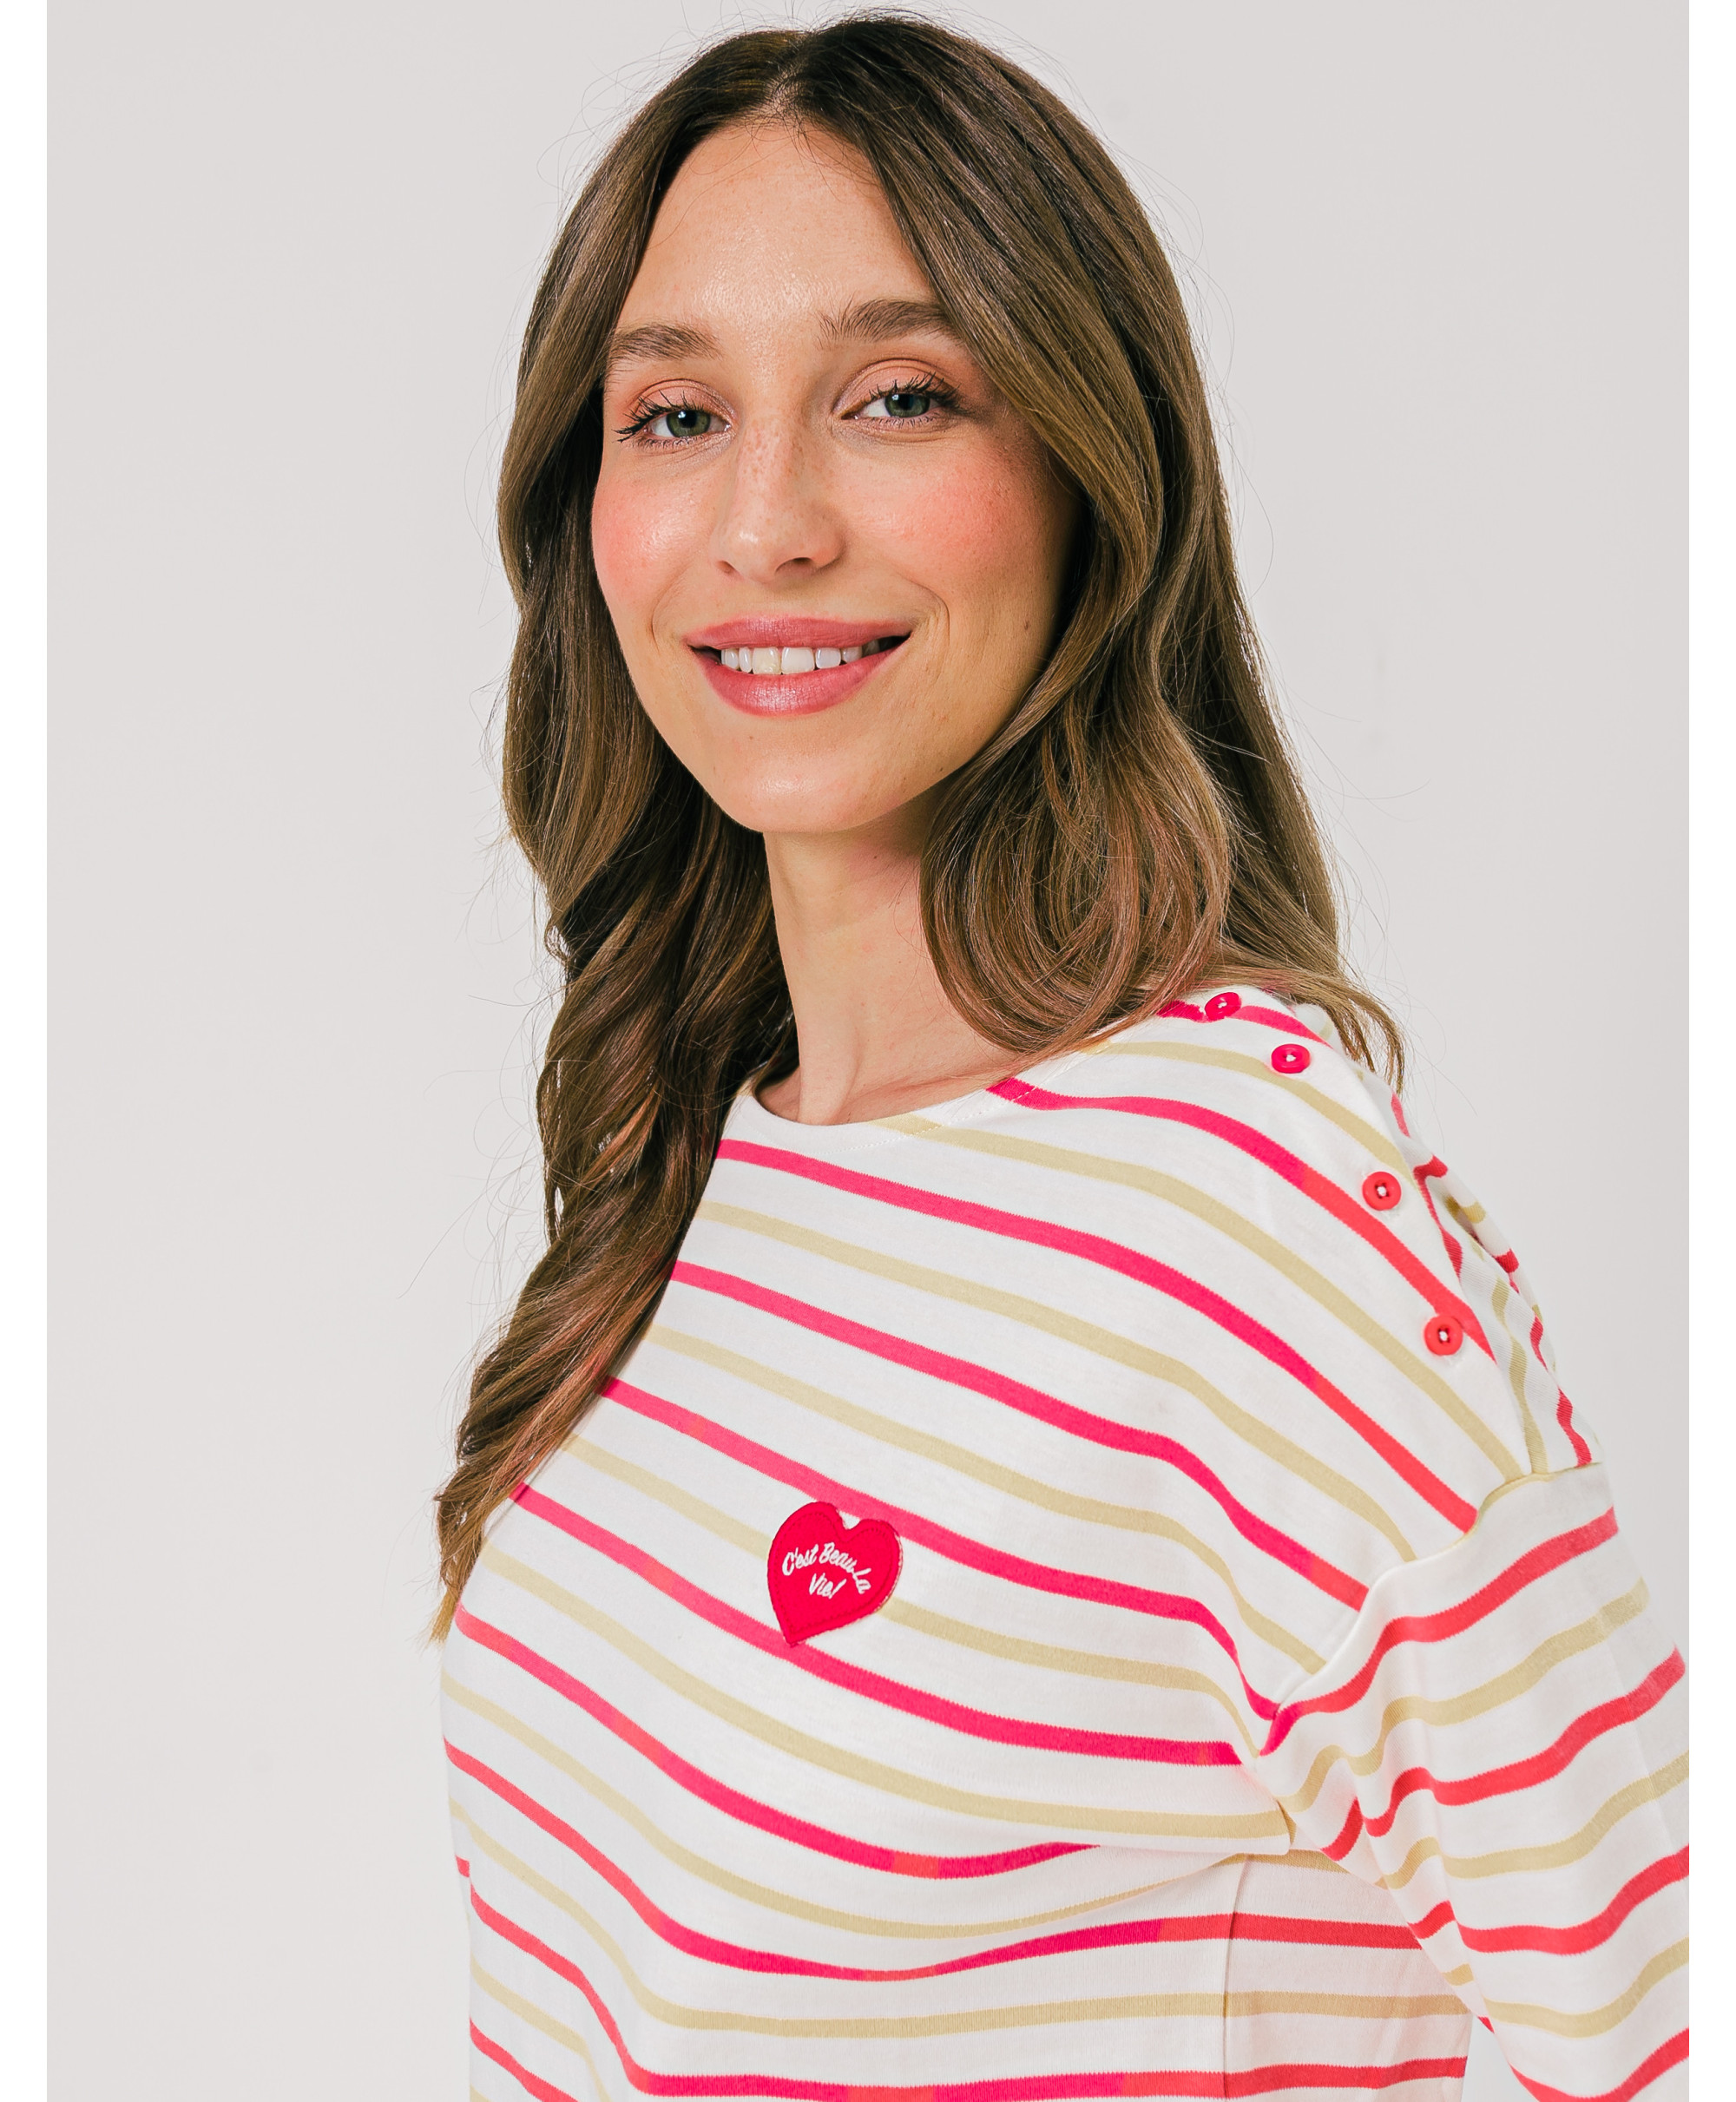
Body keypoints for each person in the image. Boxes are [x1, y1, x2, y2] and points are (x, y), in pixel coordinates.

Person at [434, 18, 1687, 2099]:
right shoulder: (696, 1159)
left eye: (897, 395)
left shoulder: (1243, 1215)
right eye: (674, 413)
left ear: (1094, 472)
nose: (766, 520)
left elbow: (1659, 2001)